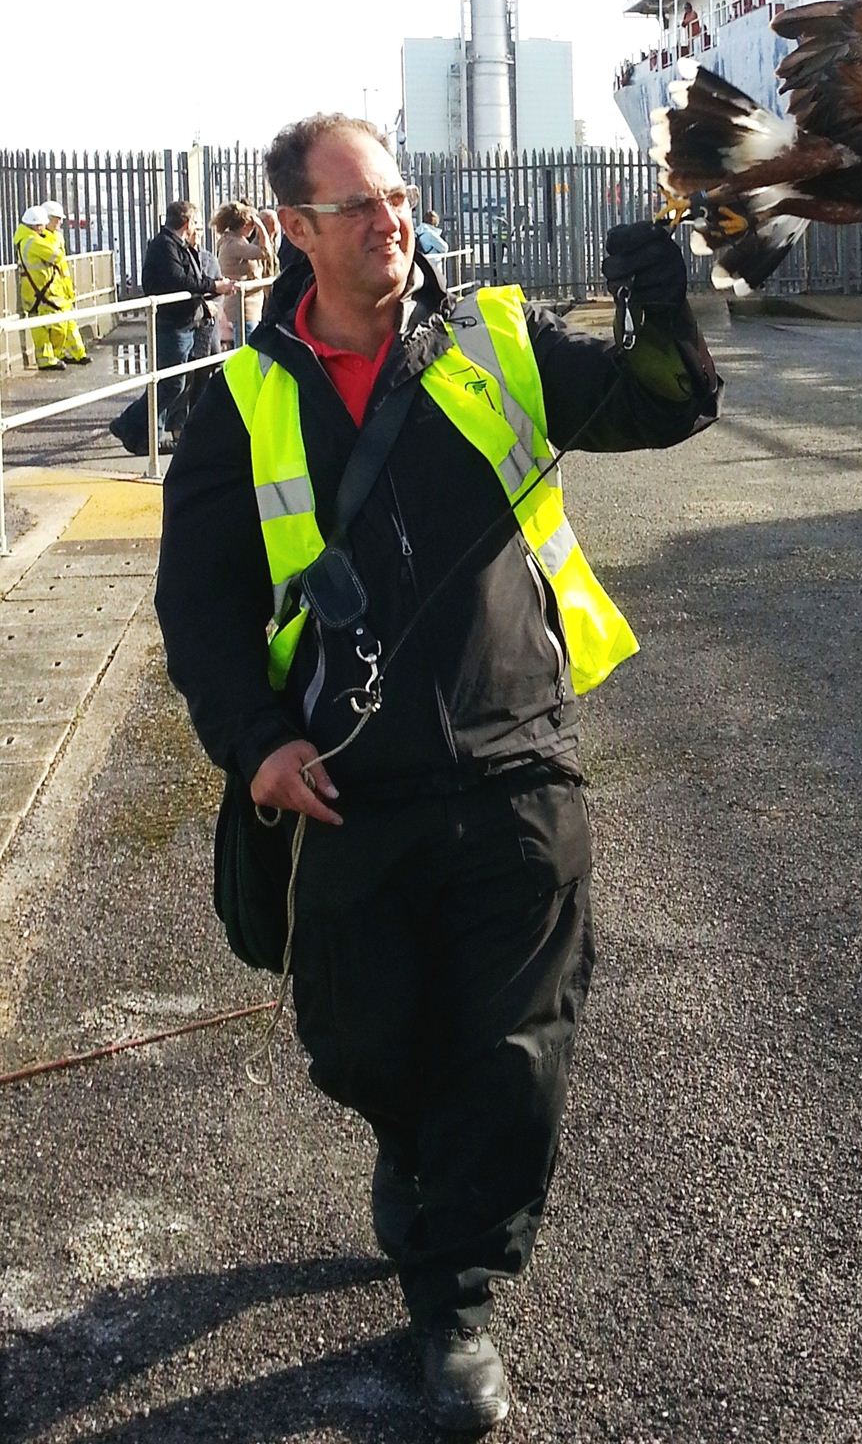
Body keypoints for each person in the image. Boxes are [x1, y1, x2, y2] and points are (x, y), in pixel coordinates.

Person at [154, 112, 720, 1431]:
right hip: (348, 785)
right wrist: (257, 744)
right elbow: (200, 604)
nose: (389, 222)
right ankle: (405, 1151)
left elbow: (662, 401)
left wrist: (659, 295)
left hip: (517, 759)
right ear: (294, 230)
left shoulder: (496, 339)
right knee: (363, 1043)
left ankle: (455, 1299)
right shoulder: (241, 403)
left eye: (397, 197)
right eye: (356, 206)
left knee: (515, 1053)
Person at [109, 200, 232, 455]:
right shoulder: (164, 246)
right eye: (195, 222)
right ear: (186, 223)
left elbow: (191, 280)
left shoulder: (177, 246)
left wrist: (206, 291)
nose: (196, 228)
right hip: (173, 324)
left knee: (177, 383)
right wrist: (214, 286)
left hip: (185, 322)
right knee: (171, 384)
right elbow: (180, 280)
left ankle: (143, 435)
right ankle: (127, 423)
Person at [12, 201, 89, 369]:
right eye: (56, 219)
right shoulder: (34, 241)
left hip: (47, 291)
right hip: (42, 293)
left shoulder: (36, 238)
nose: (59, 223)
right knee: (54, 327)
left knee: (54, 326)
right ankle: (50, 358)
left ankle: (59, 356)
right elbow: (56, 256)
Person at [213, 201, 276, 343]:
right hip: (243, 308)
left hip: (249, 306)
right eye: (252, 224)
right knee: (247, 347)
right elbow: (265, 253)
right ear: (245, 225)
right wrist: (262, 228)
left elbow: (254, 250)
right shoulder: (234, 244)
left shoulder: (235, 241)